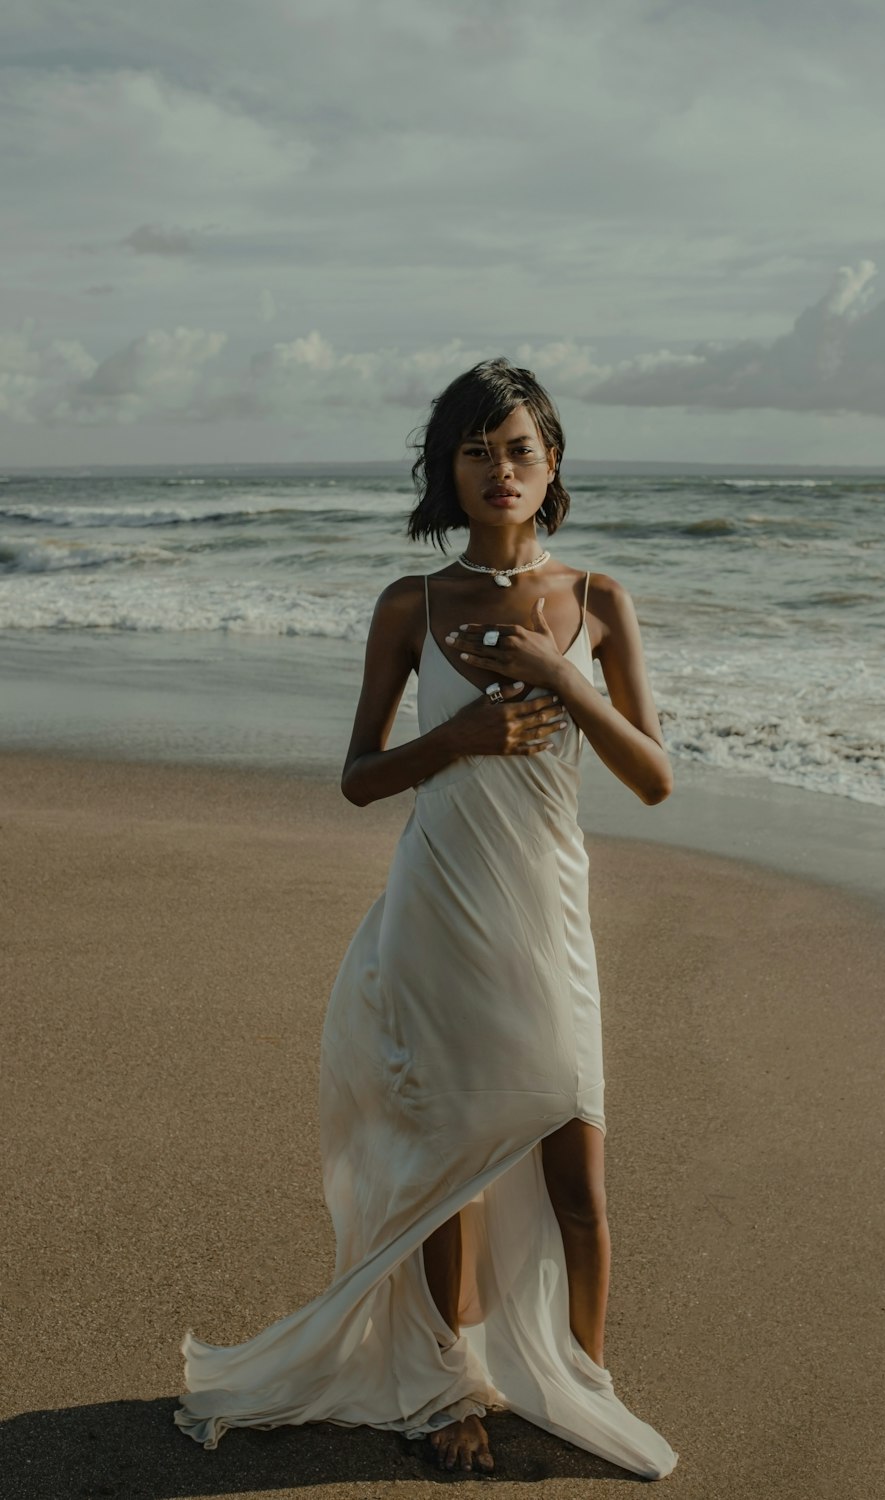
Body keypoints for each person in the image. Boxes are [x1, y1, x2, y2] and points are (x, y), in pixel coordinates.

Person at [174, 358, 679, 1480]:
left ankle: (579, 1384)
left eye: (517, 450)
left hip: (550, 916)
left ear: (552, 469)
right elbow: (358, 775)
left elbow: (653, 777)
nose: (497, 470)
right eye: (473, 450)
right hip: (440, 909)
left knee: (577, 1177)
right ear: (443, 471)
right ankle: (452, 1388)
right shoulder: (413, 604)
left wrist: (568, 676)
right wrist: (452, 741)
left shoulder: (599, 601)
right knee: (452, 1164)